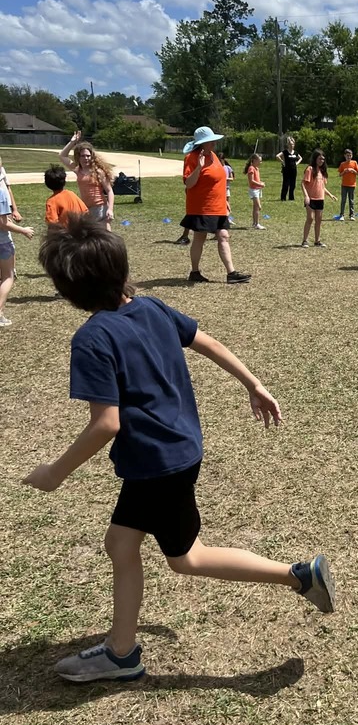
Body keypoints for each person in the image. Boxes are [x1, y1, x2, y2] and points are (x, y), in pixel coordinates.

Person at [22, 216, 335, 682]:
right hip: (177, 451)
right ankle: (122, 649)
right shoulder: (151, 307)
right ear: (121, 266)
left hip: (155, 464)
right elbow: (206, 341)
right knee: (122, 543)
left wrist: (55, 472)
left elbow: (107, 423)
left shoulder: (92, 338)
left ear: (68, 290)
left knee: (187, 558)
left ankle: (298, 576)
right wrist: (254, 383)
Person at [181, 126, 250, 284]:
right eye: (210, 141)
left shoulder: (214, 156)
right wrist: (198, 167)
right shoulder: (191, 158)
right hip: (201, 207)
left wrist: (224, 201)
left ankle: (231, 273)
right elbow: (189, 184)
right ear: (202, 143)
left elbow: (219, 181)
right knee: (200, 237)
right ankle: (195, 271)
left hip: (218, 206)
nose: (213, 143)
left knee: (224, 236)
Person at [58, 131, 115, 230]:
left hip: (100, 208)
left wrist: (110, 209)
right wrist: (72, 142)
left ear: (92, 156)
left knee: (104, 236)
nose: (86, 158)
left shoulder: (98, 172)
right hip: (85, 208)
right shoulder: (77, 169)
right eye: (83, 156)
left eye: (88, 156)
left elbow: (110, 191)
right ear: (78, 157)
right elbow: (62, 156)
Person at [0, 171, 34, 327]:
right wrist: (24, 230)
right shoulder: (1, 192)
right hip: (2, 242)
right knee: (8, 276)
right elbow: (2, 223)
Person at [301, 149, 336, 248]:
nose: (322, 161)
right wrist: (306, 196)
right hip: (311, 198)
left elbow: (322, 187)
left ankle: (317, 241)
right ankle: (305, 240)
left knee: (319, 220)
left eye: (323, 159)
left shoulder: (322, 172)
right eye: (320, 158)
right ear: (315, 158)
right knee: (310, 218)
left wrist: (330, 195)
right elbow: (303, 183)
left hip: (320, 199)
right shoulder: (310, 169)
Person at [337, 148, 358, 220]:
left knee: (351, 200)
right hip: (344, 185)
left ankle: (352, 215)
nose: (349, 157)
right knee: (343, 200)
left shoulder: (354, 163)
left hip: (352, 185)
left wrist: (353, 170)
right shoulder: (342, 164)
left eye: (350, 155)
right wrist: (344, 172)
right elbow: (340, 174)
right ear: (345, 156)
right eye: (347, 156)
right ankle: (342, 215)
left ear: (352, 156)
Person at [245, 153, 266, 229]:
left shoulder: (257, 168)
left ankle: (254, 223)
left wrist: (261, 183)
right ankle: (257, 223)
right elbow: (251, 181)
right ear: (254, 160)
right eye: (259, 161)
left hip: (258, 189)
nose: (260, 163)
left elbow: (257, 179)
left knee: (255, 208)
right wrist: (260, 184)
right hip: (254, 190)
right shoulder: (251, 168)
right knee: (258, 206)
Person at [223, 156, 235, 226]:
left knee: (227, 204)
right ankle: (224, 218)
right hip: (220, 189)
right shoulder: (218, 167)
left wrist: (226, 178)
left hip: (227, 188)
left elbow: (232, 178)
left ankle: (227, 218)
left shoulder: (228, 168)